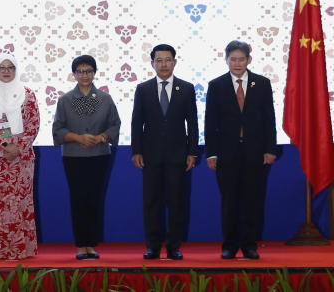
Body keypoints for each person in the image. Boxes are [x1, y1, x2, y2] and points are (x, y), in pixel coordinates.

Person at [204, 40, 277, 260]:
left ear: (249, 60)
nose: (237, 63)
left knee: (252, 200)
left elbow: (269, 120)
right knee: (229, 202)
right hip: (227, 154)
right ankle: (229, 245)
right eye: (233, 59)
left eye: (241, 59)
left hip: (255, 152)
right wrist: (212, 153)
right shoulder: (216, 85)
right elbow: (211, 122)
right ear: (226, 60)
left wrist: (270, 149)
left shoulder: (262, 84)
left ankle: (249, 245)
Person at [131, 44, 199, 260]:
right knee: (151, 202)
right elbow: (136, 123)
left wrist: (192, 152)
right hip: (150, 156)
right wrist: (136, 151)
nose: (163, 64)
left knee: (177, 202)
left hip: (178, 156)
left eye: (167, 60)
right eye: (159, 60)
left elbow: (193, 124)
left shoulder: (186, 88)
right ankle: (152, 246)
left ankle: (173, 247)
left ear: (175, 62)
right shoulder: (143, 89)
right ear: (152, 63)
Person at [53, 54, 121, 260]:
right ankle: (81, 245)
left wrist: (102, 137)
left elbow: (115, 125)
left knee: (94, 199)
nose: (85, 75)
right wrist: (78, 137)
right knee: (78, 199)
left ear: (94, 73)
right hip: (74, 156)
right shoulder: (65, 100)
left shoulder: (104, 98)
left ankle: (91, 244)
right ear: (74, 74)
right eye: (81, 71)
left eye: (89, 71)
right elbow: (58, 129)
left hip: (99, 155)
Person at [0, 51, 39, 260]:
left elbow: (33, 125)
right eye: (1, 68)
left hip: (21, 159)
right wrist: (4, 144)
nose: (5, 72)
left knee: (19, 201)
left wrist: (17, 147)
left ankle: (22, 249)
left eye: (10, 67)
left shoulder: (27, 94)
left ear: (16, 70)